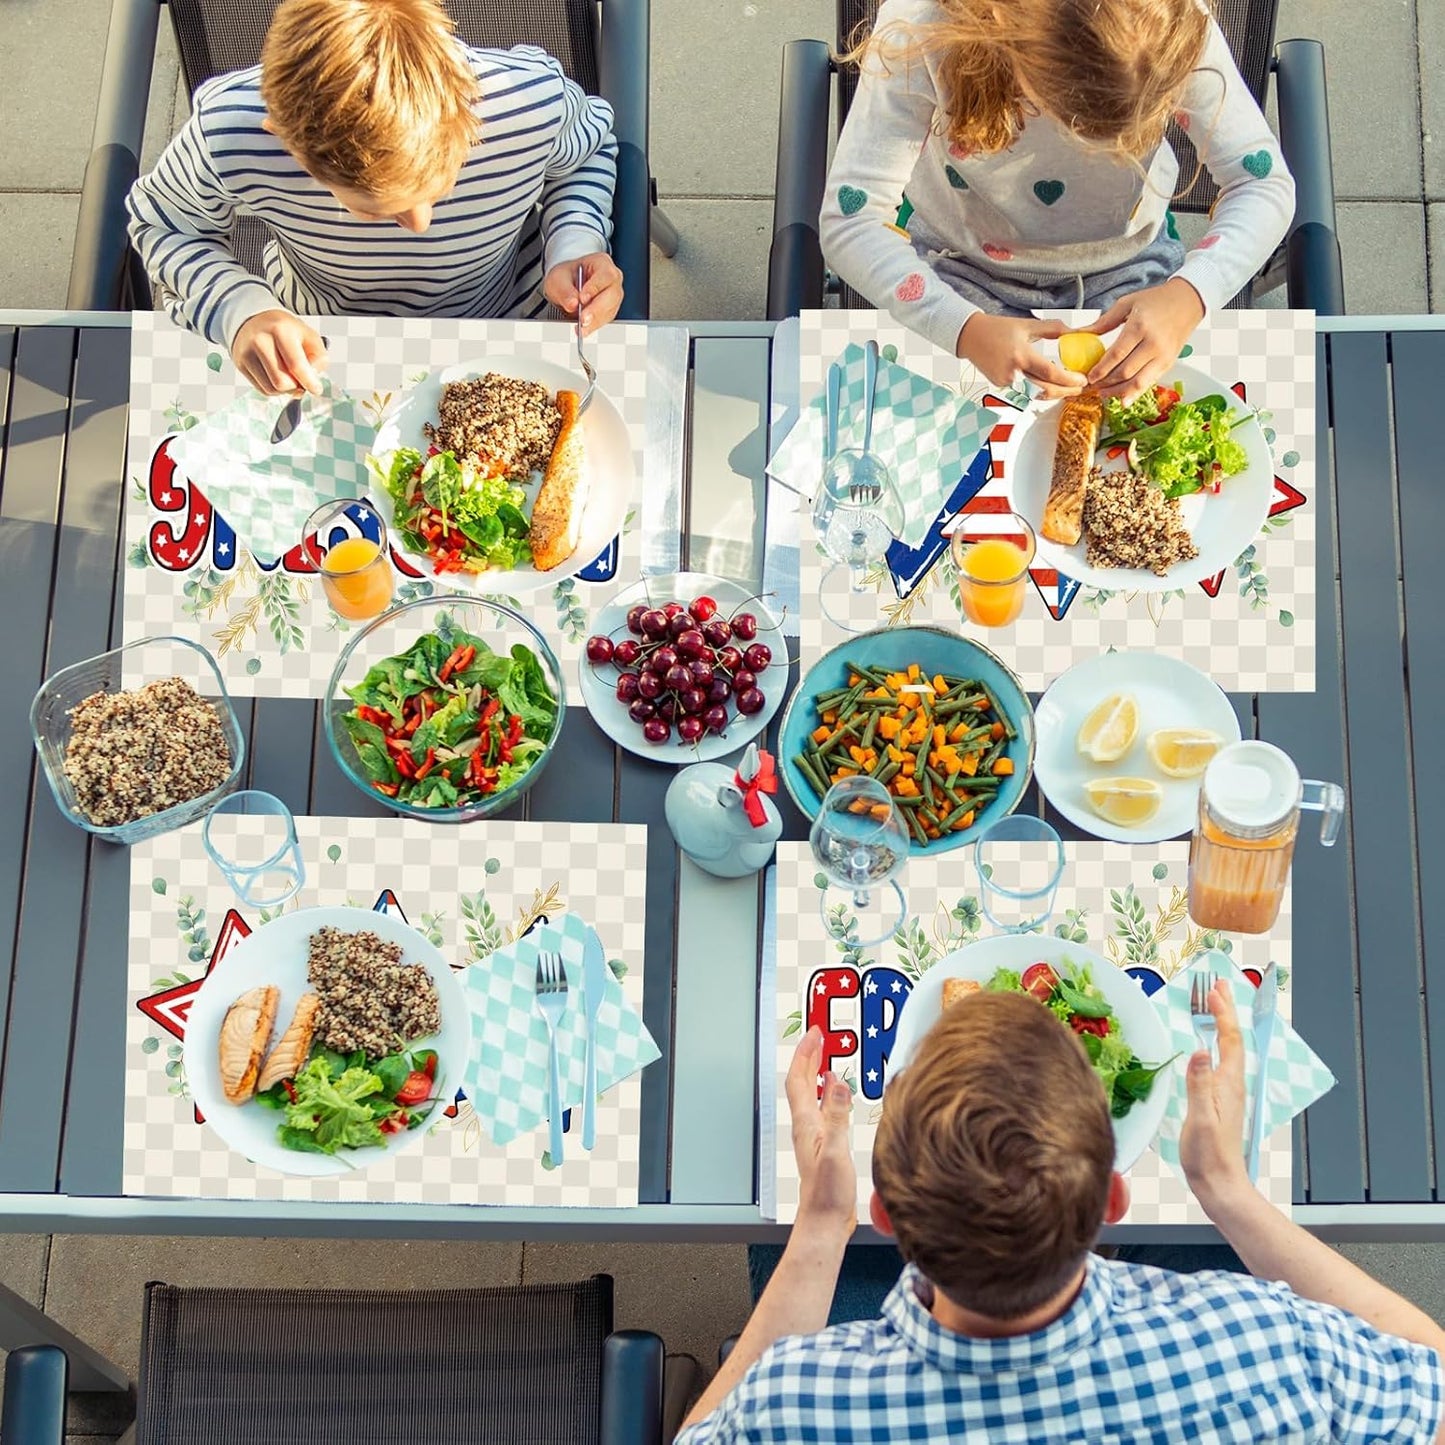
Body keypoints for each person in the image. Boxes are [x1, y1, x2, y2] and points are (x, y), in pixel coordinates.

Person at [676, 986, 1445, 1441]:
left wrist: (816, 1228)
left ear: (883, 1216)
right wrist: (1227, 1191)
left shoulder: (795, 1401)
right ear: (1113, 1200)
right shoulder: (1265, 1343)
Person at [127, 0, 624, 396]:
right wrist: (241, 310)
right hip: (323, 341)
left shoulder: (528, 101)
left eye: (441, 184)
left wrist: (574, 245)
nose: (420, 223)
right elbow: (160, 224)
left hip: (510, 322)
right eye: (375, 210)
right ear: (285, 140)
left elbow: (587, 153)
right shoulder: (229, 136)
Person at [818, 0, 1296, 403]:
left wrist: (1190, 295)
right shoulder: (926, 26)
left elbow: (1263, 185)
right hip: (960, 269)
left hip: (1132, 273)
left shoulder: (1172, 25)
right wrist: (964, 330)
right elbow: (851, 220)